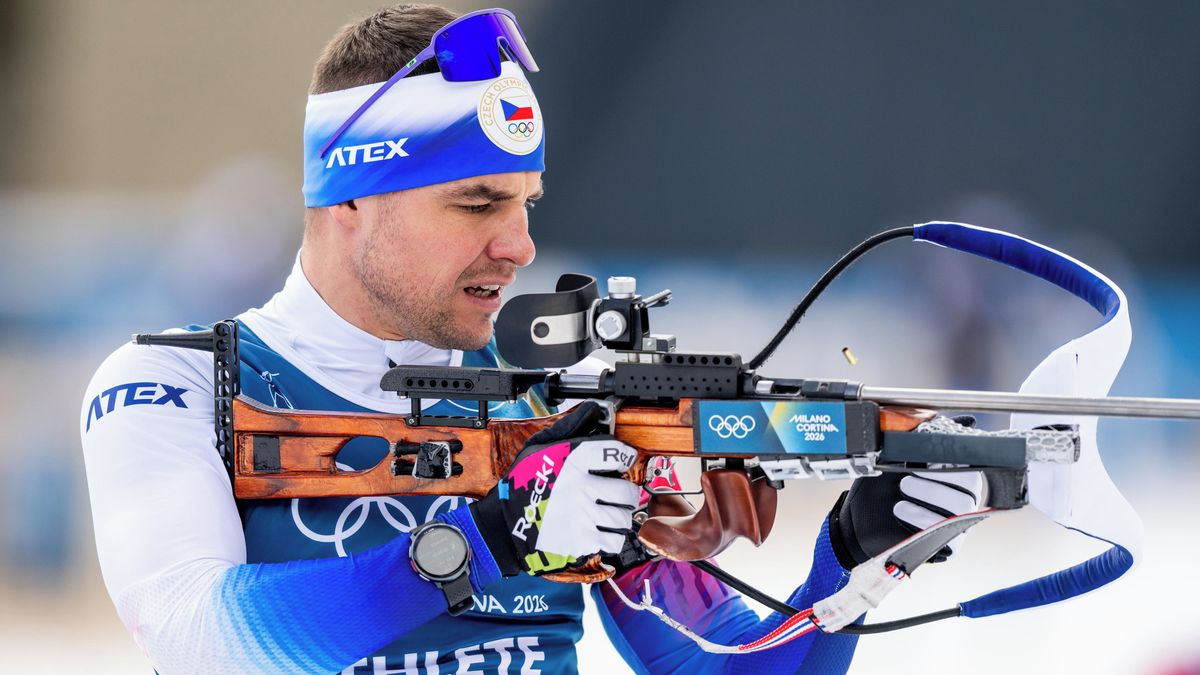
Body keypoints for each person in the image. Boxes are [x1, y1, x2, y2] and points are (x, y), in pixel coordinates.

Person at [79, 5, 982, 673]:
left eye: (525, 203)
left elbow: (713, 663)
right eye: (476, 203)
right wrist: (496, 539)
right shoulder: (183, 385)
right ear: (349, 196)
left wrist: (852, 565)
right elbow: (201, 640)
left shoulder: (561, 400)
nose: (519, 245)